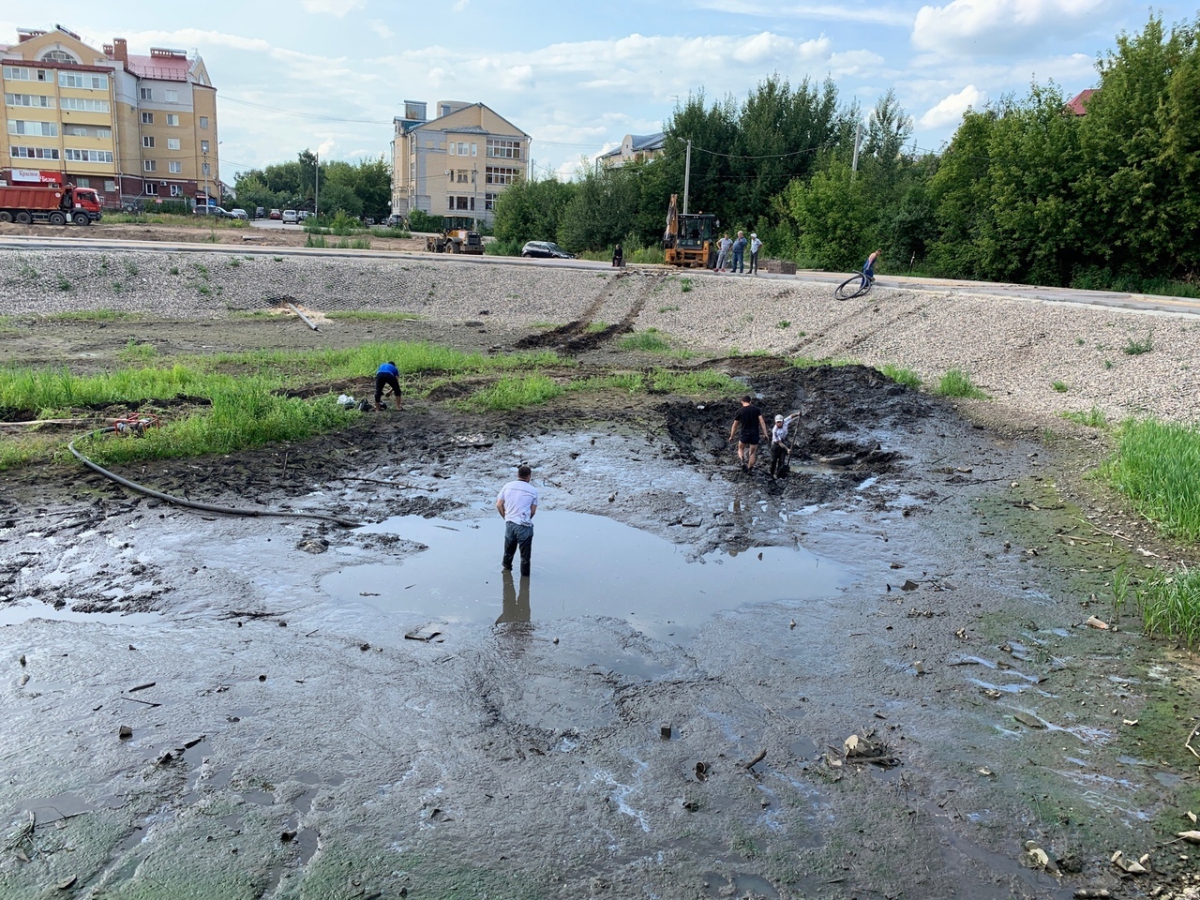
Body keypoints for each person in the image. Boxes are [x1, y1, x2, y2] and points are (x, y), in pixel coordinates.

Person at [496, 464, 538, 577]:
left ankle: (506, 571)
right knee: (525, 558)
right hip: (524, 526)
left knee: (508, 552)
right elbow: (533, 511)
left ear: (517, 475)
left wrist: (505, 517)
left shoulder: (507, 486)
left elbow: (499, 504)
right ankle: (525, 580)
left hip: (510, 524)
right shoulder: (533, 490)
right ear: (529, 476)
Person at [728, 395, 768, 473]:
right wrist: (765, 433)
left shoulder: (740, 411)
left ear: (742, 402)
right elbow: (762, 421)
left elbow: (735, 425)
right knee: (752, 453)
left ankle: (743, 461)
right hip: (754, 433)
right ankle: (750, 469)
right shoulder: (756, 410)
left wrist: (731, 436)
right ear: (750, 401)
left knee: (740, 448)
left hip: (744, 433)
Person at [769, 411, 801, 479]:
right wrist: (787, 449)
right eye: (777, 422)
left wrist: (797, 414)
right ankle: (771, 474)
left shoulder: (785, 422)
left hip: (783, 442)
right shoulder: (774, 430)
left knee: (782, 461)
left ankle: (779, 475)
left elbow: (791, 416)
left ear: (782, 421)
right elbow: (779, 443)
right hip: (776, 445)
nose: (779, 423)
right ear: (775, 422)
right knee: (773, 461)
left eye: (780, 422)